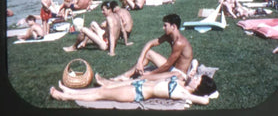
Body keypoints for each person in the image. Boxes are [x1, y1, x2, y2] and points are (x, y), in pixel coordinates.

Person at [50, 71, 216, 105]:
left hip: (136, 93)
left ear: (197, 87)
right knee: (105, 89)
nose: (194, 77)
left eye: (197, 79)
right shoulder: (183, 81)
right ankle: (71, 91)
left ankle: (65, 97)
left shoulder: (183, 93)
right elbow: (193, 65)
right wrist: (191, 76)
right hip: (138, 85)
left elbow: (205, 100)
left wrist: (200, 95)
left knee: (101, 93)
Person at [113, 14, 194, 81]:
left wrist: (151, 73)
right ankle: (126, 75)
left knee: (143, 78)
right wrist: (140, 61)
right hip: (172, 68)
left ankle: (126, 78)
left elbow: (167, 65)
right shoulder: (169, 36)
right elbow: (150, 43)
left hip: (179, 74)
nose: (163, 28)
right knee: (149, 53)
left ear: (173, 26)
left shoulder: (179, 42)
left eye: (165, 25)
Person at [63, 1, 132, 56]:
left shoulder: (109, 19)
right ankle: (84, 42)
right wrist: (126, 43)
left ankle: (74, 47)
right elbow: (123, 30)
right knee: (93, 23)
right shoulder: (117, 16)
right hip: (108, 40)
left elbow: (111, 35)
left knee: (83, 29)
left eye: (103, 10)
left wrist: (112, 52)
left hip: (105, 45)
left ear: (109, 10)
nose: (102, 12)